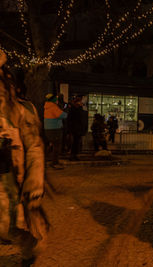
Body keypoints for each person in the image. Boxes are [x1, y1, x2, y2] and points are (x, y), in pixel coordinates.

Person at [0, 49, 48, 265]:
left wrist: (34, 185)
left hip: (11, 178)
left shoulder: (21, 112)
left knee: (12, 226)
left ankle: (28, 248)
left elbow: (35, 149)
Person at [44, 93, 68, 169]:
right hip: (55, 129)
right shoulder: (53, 107)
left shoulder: (47, 107)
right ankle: (54, 163)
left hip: (48, 129)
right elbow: (64, 115)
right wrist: (65, 110)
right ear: (54, 100)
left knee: (52, 145)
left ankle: (45, 160)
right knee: (56, 146)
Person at [67, 96, 87, 160]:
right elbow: (71, 119)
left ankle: (74, 155)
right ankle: (73, 155)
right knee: (75, 142)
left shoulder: (79, 109)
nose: (80, 103)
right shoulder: (74, 109)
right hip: (75, 128)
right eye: (79, 102)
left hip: (78, 128)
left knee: (76, 142)